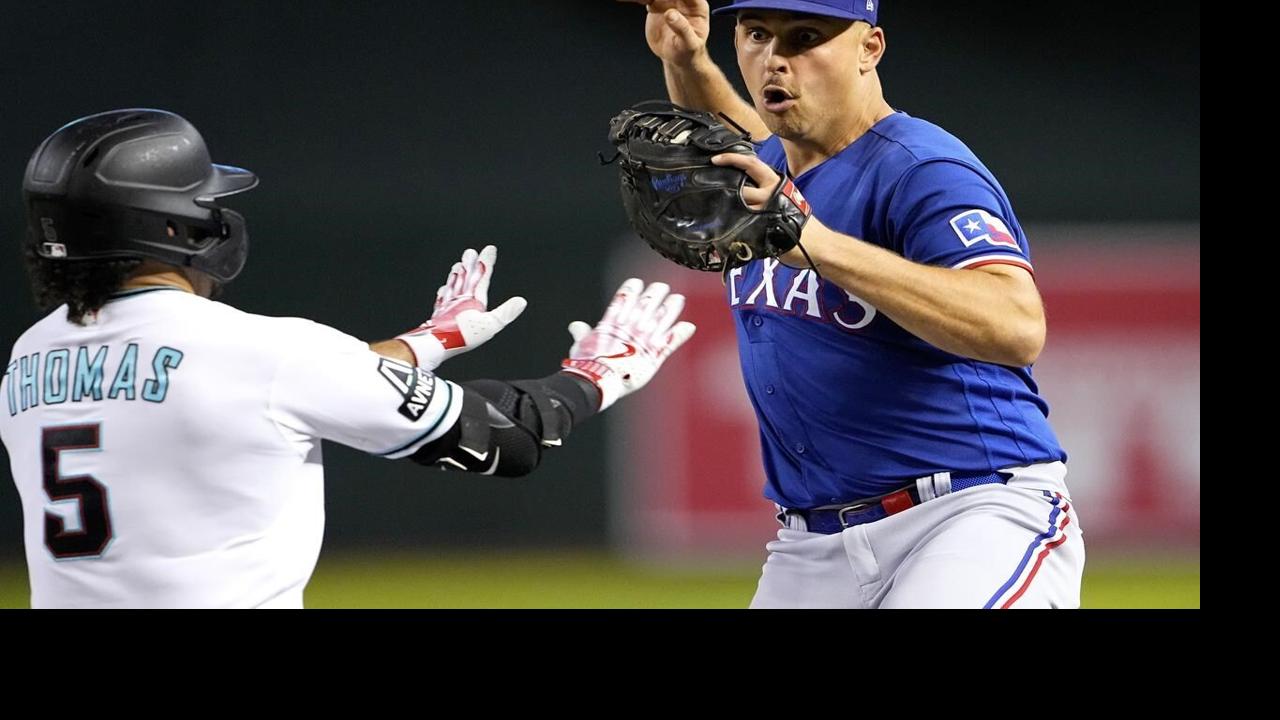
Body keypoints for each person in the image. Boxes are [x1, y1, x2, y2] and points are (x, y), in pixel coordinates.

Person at [0, 109, 694, 608]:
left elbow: (236, 399)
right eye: (203, 202)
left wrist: (430, 342)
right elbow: (503, 439)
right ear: (173, 227)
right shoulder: (256, 352)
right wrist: (595, 377)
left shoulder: (29, 362)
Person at [623, 0, 1083, 608]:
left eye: (806, 37)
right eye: (757, 34)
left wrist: (813, 242)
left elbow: (1016, 326)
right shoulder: (776, 172)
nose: (775, 60)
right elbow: (741, 140)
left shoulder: (923, 169)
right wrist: (686, 60)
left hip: (969, 511)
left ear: (869, 48)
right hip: (811, 543)